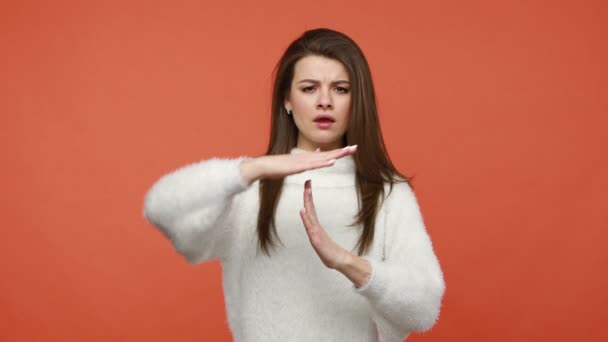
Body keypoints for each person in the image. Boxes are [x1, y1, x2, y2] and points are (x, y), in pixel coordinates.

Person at [143, 28, 445, 342]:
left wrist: (345, 262)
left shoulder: (387, 194)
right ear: (287, 100)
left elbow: (424, 307)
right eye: (309, 88)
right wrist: (252, 169)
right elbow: (159, 206)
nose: (325, 101)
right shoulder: (252, 192)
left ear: (358, 101)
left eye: (341, 89)